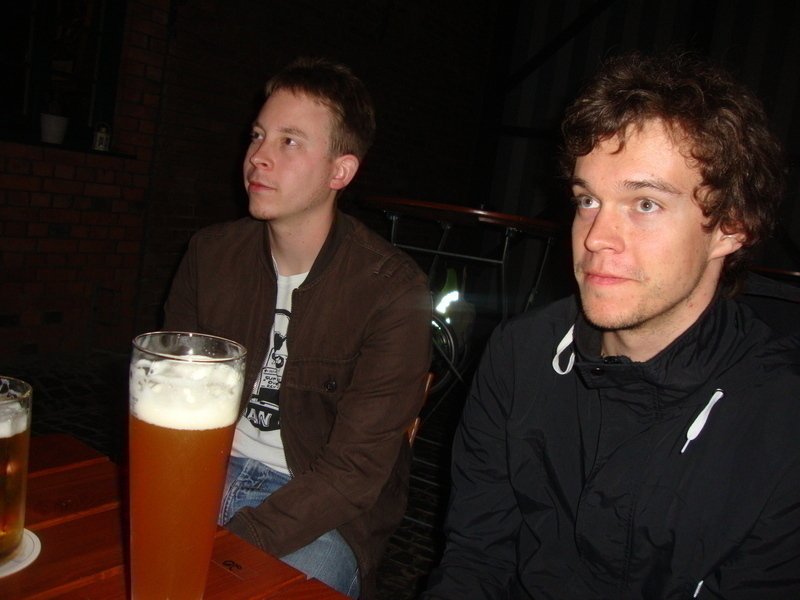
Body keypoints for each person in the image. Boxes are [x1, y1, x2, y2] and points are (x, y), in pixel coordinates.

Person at [423, 50, 800, 599]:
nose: (596, 236)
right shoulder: (520, 356)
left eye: (644, 203)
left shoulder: (779, 420)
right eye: (588, 199)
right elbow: (476, 558)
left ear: (731, 227)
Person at [163, 57, 431, 599]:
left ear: (340, 172)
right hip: (204, 471)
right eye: (258, 135)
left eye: (289, 141)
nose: (258, 156)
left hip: (318, 508)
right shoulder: (210, 255)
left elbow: (353, 473)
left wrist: (235, 541)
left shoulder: (392, 292)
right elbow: (170, 396)